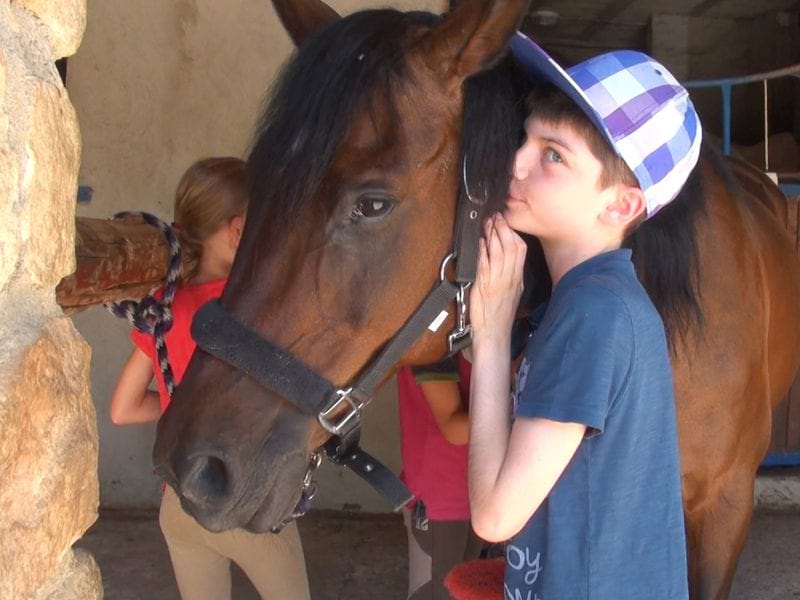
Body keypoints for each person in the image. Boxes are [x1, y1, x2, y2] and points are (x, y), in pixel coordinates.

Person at [467, 33, 701, 600]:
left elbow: (494, 518)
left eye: (553, 154)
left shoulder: (595, 315)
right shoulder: (589, 300)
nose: (516, 162)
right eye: (526, 139)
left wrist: (493, 335)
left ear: (620, 204)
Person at [110, 157, 311, 600]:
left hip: (179, 505)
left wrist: (176, 404)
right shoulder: (256, 307)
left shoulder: (163, 308)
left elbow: (123, 409)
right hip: (245, 502)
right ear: (238, 231)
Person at [397, 351, 483, 600]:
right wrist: (520, 411)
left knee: (464, 590)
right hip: (440, 498)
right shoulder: (431, 339)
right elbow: (453, 427)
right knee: (438, 593)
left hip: (474, 488)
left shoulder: (476, 328)